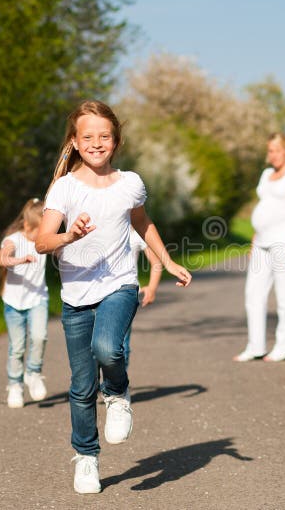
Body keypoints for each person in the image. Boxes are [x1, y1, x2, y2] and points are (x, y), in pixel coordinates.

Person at [35, 100, 192, 494]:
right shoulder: (65, 188)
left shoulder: (130, 183)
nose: (96, 143)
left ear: (116, 141)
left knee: (108, 348)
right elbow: (41, 241)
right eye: (88, 136)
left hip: (120, 284)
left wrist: (167, 261)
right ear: (74, 141)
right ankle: (86, 458)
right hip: (76, 295)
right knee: (81, 386)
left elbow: (143, 223)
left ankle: (118, 393)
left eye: (104, 136)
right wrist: (69, 236)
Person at [234, 132, 285, 363]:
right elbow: (264, 207)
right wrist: (255, 238)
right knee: (253, 295)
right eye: (270, 151)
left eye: (276, 150)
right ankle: (255, 346)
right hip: (262, 242)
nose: (272, 155)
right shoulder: (266, 174)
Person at [0, 198, 49, 408]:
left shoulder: (44, 240)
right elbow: (0, 259)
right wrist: (18, 260)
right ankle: (15, 385)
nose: (41, 237)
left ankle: (33, 372)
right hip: (14, 303)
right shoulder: (14, 239)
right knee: (17, 347)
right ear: (27, 226)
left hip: (38, 299)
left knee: (40, 337)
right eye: (39, 232)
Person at [124, 229, 163, 368]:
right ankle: (95, 383)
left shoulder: (138, 231)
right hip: (97, 293)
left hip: (126, 294)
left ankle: (119, 387)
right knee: (94, 346)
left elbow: (156, 263)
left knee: (122, 343)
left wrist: (152, 288)